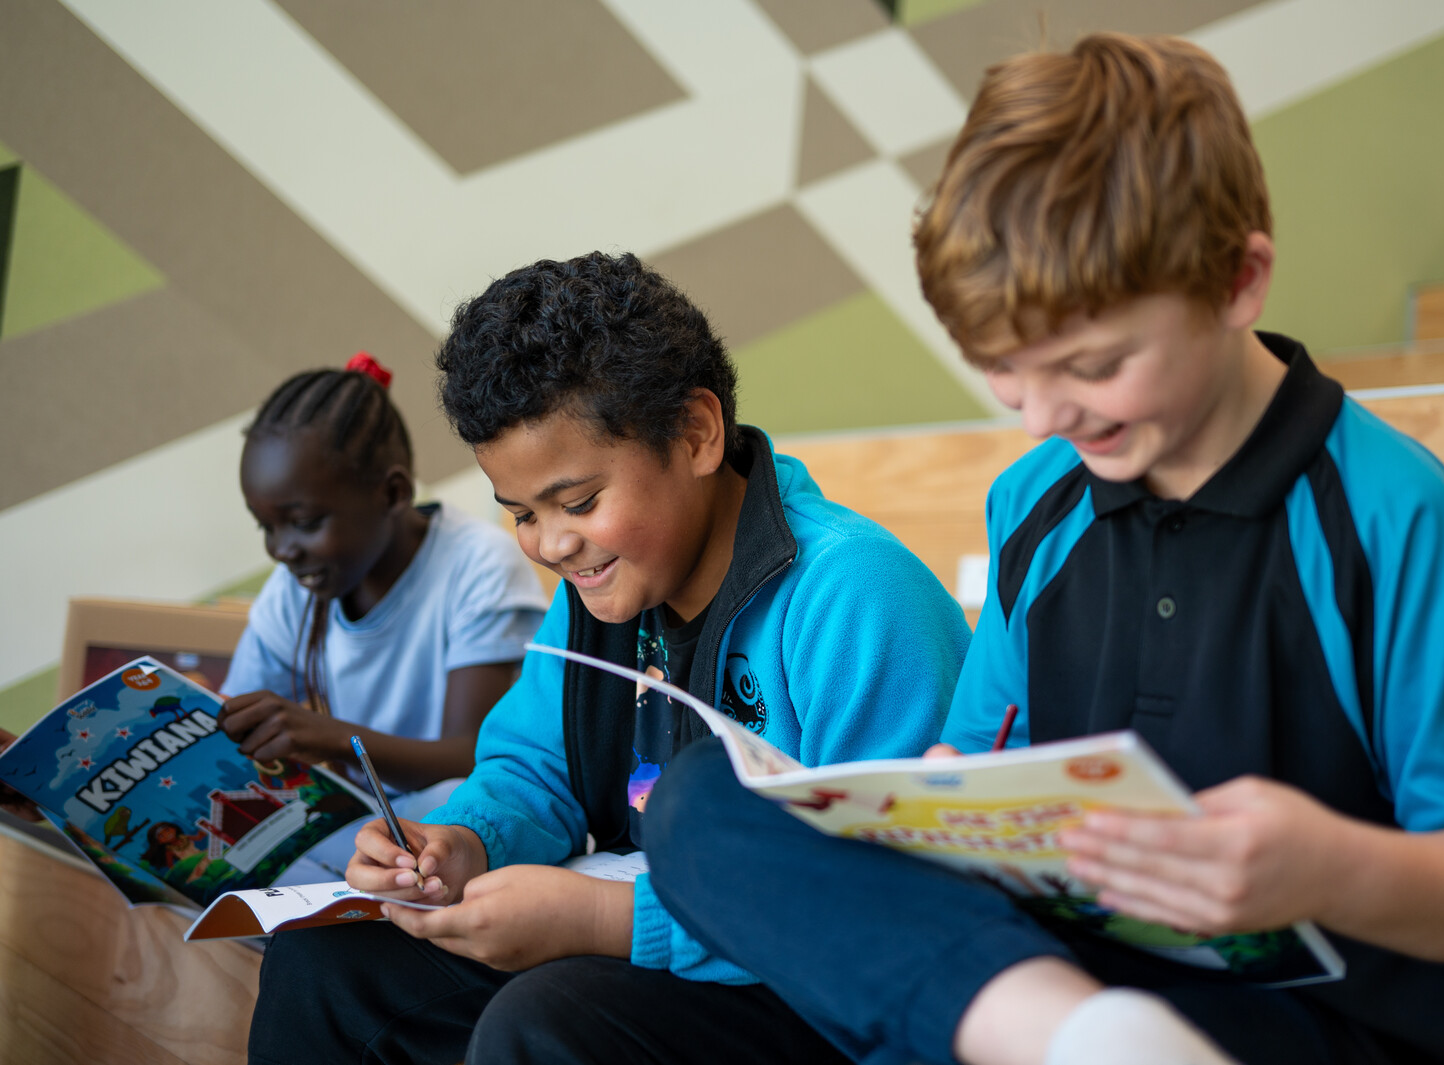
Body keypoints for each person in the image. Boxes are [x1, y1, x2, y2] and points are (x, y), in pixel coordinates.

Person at [644, 32, 1444, 1065]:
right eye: (1004, 367)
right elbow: (976, 762)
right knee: (703, 804)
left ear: (1235, 281)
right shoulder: (1038, 500)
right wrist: (937, 802)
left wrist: (1323, 869)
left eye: (1091, 364)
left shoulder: (1386, 510)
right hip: (1066, 997)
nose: (1042, 413)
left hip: (1321, 1026)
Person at [245, 252, 973, 1065]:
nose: (552, 544)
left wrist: (603, 921)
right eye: (520, 513)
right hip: (663, 951)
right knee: (325, 962)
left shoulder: (856, 593)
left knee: (549, 1016)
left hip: (819, 999)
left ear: (696, 433)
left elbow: (884, 899)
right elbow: (534, 772)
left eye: (580, 502)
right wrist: (461, 844)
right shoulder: (604, 585)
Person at [219, 353, 546, 881]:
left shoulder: (479, 565)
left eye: (303, 522)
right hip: (364, 827)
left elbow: (472, 755)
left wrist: (327, 736)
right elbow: (233, 725)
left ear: (393, 493)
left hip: (457, 817)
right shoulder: (295, 589)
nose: (282, 550)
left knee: (458, 802)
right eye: (267, 527)